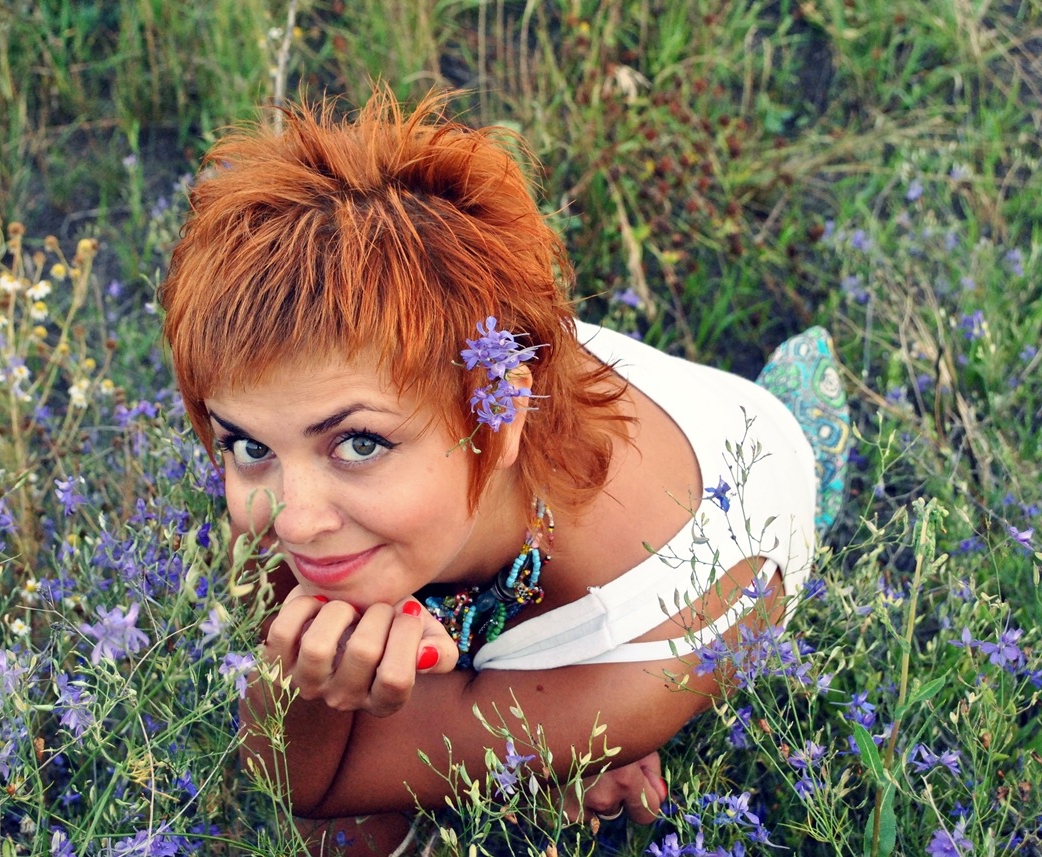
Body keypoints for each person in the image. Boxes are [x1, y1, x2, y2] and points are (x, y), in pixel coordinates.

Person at [160, 88, 847, 856]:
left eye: (357, 444)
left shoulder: (636, 657)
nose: (292, 520)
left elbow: (308, 787)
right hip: (508, 460)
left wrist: (302, 683)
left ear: (500, 411)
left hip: (726, 512)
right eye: (247, 445)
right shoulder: (439, 370)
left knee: (341, 835)